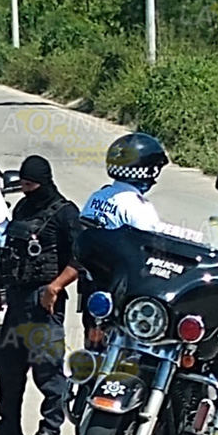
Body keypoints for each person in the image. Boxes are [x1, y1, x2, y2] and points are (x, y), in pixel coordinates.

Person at [0, 155, 81, 435]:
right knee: (7, 366)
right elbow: (8, 252)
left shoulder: (65, 213)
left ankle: (51, 428)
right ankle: (8, 426)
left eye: (31, 184)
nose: (25, 189)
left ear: (44, 182)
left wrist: (56, 287)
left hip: (44, 300)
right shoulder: (22, 207)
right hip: (18, 300)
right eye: (22, 184)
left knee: (47, 367)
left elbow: (79, 258)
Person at [73, 132, 172, 350]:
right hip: (123, 293)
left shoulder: (99, 196)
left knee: (94, 352)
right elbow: (153, 246)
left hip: (94, 287)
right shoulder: (136, 206)